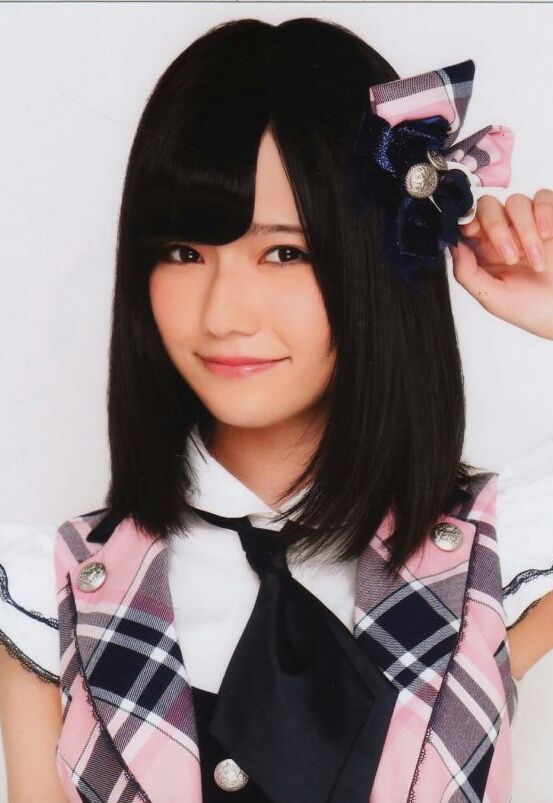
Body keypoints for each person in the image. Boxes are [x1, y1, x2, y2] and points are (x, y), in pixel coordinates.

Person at [1, 16, 553, 803]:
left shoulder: (487, 557)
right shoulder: (53, 594)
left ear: (375, 262)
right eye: (184, 252)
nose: (224, 313)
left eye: (284, 252)